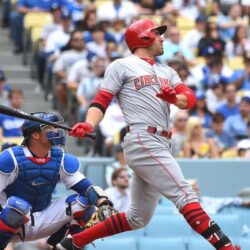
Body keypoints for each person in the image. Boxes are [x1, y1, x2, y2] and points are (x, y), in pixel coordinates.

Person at [57, 19, 239, 250]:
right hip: (143, 137)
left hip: (163, 142)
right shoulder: (122, 65)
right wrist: (89, 124)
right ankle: (226, 247)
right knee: (185, 194)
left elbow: (189, 98)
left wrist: (174, 98)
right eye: (157, 33)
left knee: (138, 217)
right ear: (143, 38)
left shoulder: (168, 70)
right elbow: (101, 100)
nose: (162, 38)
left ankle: (75, 242)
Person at [0, 112, 115, 249]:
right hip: (11, 223)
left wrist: (103, 203)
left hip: (44, 219)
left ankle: (61, 246)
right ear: (35, 135)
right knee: (17, 206)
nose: (55, 131)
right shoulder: (11, 158)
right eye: (49, 128)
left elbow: (85, 186)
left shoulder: (59, 158)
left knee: (83, 203)